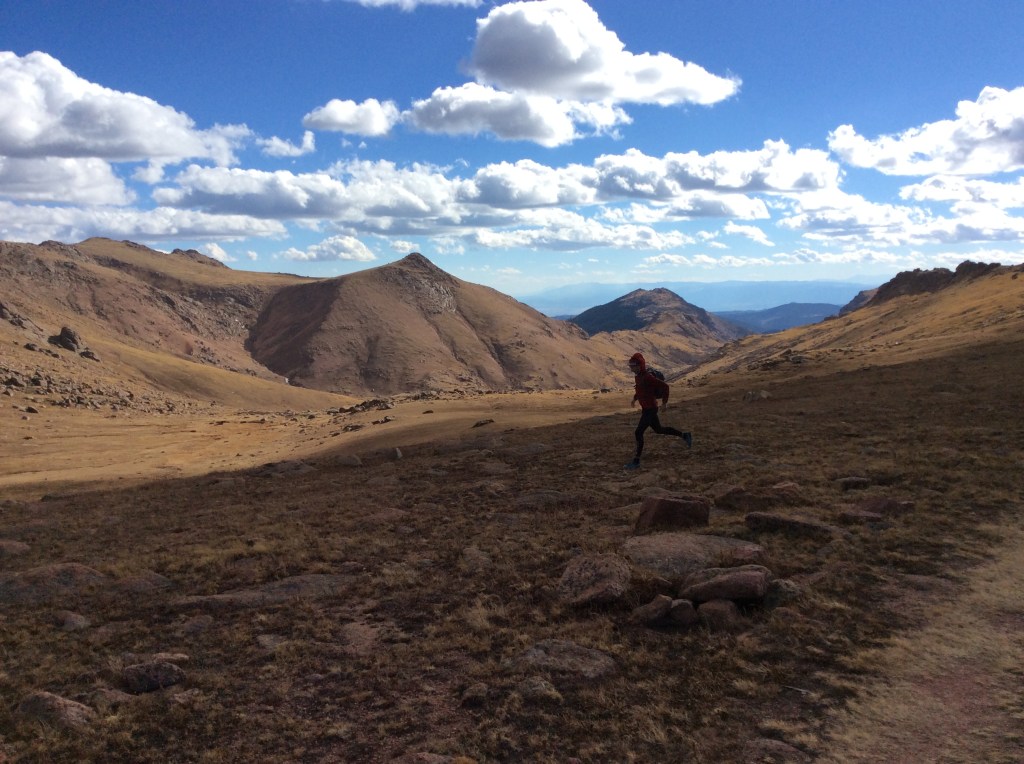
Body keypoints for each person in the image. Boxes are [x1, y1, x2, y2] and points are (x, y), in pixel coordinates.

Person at [625, 352, 691, 469]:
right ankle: (684, 435)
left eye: (633, 366)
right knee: (659, 430)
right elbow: (640, 390)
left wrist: (664, 403)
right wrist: (634, 399)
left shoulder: (647, 377)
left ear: (640, 365)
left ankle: (636, 461)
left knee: (638, 432)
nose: (631, 368)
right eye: (630, 366)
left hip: (651, 409)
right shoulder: (638, 376)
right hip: (647, 409)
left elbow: (665, 386)